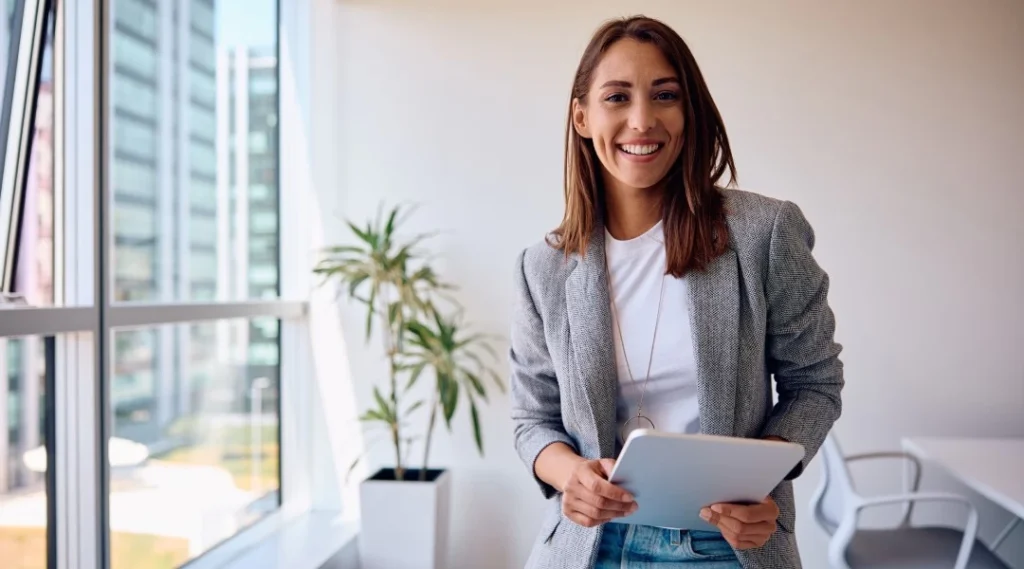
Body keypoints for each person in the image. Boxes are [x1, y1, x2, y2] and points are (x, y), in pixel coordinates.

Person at [509, 15, 844, 569]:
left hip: (725, 544)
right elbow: (531, 420)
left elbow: (816, 383)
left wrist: (759, 479)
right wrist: (571, 476)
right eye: (617, 97)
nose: (642, 121)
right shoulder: (542, 267)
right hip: (590, 546)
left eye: (665, 95)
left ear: (688, 114)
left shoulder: (764, 233)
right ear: (583, 117)